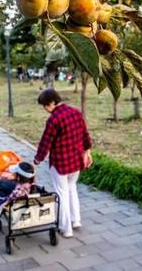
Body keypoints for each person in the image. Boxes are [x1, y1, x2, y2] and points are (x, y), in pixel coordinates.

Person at [33, 89, 92, 238]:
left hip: (60, 163)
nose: (46, 109)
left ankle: (66, 228)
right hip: (76, 161)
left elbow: (45, 143)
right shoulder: (76, 112)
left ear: (52, 102)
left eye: (46, 106)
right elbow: (85, 134)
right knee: (72, 188)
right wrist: (87, 151)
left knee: (62, 193)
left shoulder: (54, 119)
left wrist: (36, 162)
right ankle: (75, 219)